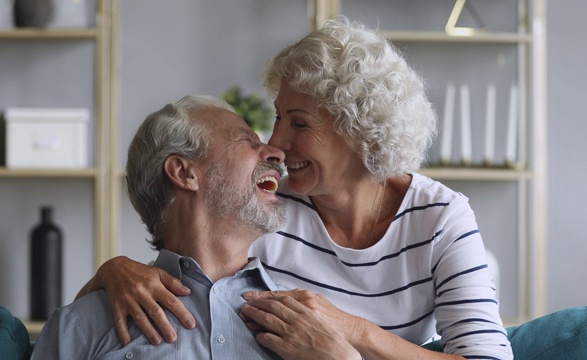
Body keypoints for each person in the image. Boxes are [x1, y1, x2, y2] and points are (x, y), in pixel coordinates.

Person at [77, 17, 512, 359]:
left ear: (361, 132)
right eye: (278, 116)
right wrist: (113, 270)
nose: (277, 143)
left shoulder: (439, 217)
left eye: (299, 123)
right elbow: (188, 263)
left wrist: (350, 332)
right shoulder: (268, 208)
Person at [32, 95, 361, 359]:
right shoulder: (82, 324)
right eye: (246, 140)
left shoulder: (316, 319)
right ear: (184, 172)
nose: (276, 152)